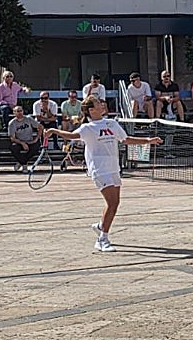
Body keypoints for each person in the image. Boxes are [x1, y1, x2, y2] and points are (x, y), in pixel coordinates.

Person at [44, 96, 161, 252]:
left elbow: (125, 139)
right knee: (111, 203)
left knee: (115, 204)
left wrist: (147, 140)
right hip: (99, 169)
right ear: (91, 110)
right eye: (98, 103)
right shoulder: (87, 128)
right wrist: (52, 130)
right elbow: (71, 136)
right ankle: (102, 239)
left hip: (114, 167)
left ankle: (101, 226)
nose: (102, 105)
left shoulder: (112, 123)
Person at [6, 105, 42, 172]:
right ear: (14, 113)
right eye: (17, 111)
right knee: (13, 148)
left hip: (30, 141)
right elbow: (12, 138)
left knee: (37, 147)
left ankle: (21, 162)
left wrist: (36, 138)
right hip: (19, 142)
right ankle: (24, 164)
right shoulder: (12, 123)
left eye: (21, 111)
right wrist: (22, 143)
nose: (19, 113)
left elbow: (40, 127)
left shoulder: (28, 119)